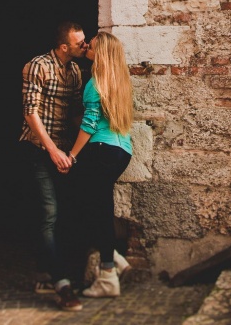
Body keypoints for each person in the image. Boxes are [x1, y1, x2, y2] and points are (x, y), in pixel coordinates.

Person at [20, 20, 88, 312]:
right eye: (79, 43)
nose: (85, 45)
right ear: (63, 47)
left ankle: (48, 270)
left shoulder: (75, 71)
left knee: (69, 213)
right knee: (49, 213)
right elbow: (30, 113)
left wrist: (77, 150)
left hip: (65, 151)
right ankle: (61, 283)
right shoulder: (37, 65)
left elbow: (76, 112)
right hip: (39, 149)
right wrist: (53, 151)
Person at [66, 31, 134, 298]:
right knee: (95, 206)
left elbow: (90, 124)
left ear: (102, 54)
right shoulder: (120, 82)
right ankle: (114, 258)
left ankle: (108, 274)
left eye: (91, 47)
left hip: (102, 150)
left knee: (92, 208)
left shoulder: (95, 84)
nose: (87, 49)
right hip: (122, 151)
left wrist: (72, 155)